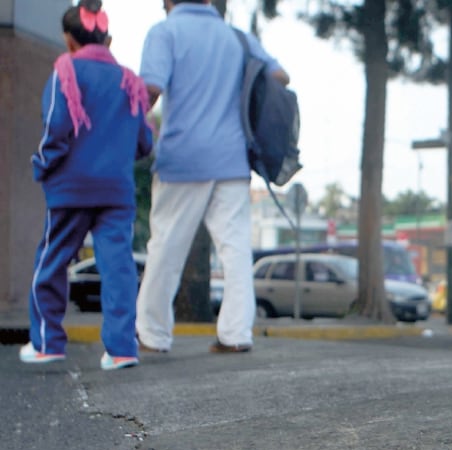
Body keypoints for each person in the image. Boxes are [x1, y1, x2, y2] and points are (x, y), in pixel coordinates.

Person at [135, 0, 290, 354]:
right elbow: (280, 76)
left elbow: (150, 90)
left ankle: (153, 335)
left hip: (183, 159)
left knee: (166, 249)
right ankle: (236, 335)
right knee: (234, 250)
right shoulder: (236, 37)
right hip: (233, 159)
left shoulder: (165, 31)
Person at [21, 0, 153, 370]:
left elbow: (55, 130)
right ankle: (122, 349)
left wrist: (42, 166)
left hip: (71, 188)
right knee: (118, 267)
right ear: (106, 38)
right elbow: (144, 141)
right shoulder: (129, 80)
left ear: (68, 38)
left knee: (51, 261)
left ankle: (48, 343)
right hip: (116, 190)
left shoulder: (66, 71)